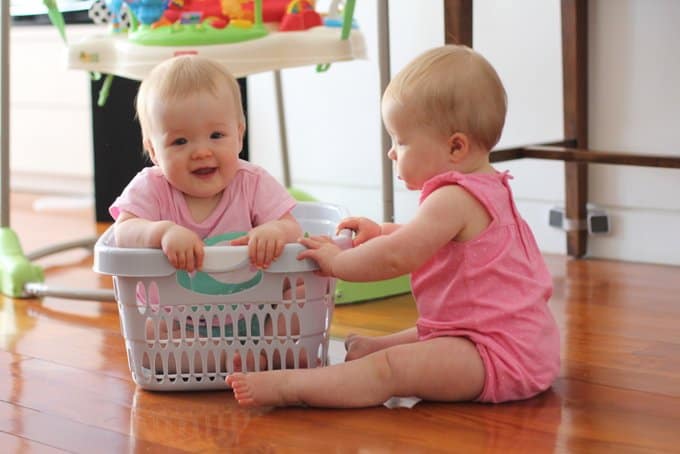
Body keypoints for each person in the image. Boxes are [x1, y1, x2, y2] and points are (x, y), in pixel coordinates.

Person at [226, 44, 561, 407]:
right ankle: (373, 347)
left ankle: (292, 387)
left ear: (455, 148)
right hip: (510, 339)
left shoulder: (452, 198)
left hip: (495, 355)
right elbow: (426, 240)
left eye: (400, 141)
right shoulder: (487, 186)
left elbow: (397, 258)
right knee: (430, 332)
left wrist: (336, 263)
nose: (392, 152)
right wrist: (381, 231)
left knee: (392, 369)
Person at [109, 55, 302, 370]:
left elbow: (293, 228)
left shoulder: (252, 182)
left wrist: (273, 232)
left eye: (216, 136)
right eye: (180, 141)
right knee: (148, 336)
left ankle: (268, 350)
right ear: (154, 150)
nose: (201, 151)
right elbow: (123, 231)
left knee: (302, 292)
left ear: (239, 134)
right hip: (178, 321)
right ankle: (233, 360)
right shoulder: (151, 187)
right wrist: (163, 232)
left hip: (257, 313)